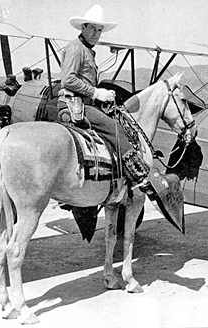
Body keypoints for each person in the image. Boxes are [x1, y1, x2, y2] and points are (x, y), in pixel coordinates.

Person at [58, 4, 170, 195]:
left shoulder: (86, 49)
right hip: (76, 104)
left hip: (83, 102)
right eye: (92, 28)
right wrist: (95, 92)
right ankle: (137, 175)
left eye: (99, 30)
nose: (96, 33)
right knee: (116, 129)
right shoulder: (76, 49)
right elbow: (68, 79)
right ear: (83, 28)